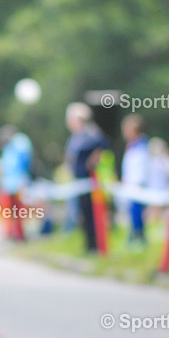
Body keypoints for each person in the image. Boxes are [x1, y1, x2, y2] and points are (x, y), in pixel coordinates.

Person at [63, 102, 110, 254]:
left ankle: (96, 246)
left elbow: (103, 145)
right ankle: (89, 245)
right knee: (83, 215)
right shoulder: (76, 137)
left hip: (91, 182)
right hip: (79, 182)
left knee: (92, 215)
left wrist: (93, 161)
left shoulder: (90, 132)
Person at [0, 125, 32, 242]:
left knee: (19, 210)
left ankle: (20, 234)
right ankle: (13, 233)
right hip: (9, 184)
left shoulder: (20, 143)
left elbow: (23, 163)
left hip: (18, 182)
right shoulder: (10, 147)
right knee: (12, 210)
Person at [120, 114, 150, 247]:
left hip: (137, 185)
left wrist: (136, 184)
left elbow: (140, 168)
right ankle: (135, 237)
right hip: (131, 185)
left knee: (137, 214)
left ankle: (138, 238)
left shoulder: (141, 146)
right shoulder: (132, 145)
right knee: (132, 214)